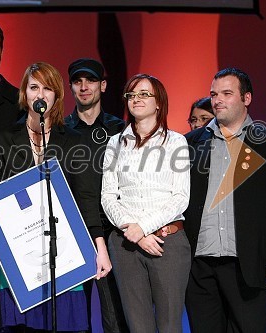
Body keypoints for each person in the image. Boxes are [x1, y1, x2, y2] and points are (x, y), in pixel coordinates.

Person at [0, 62, 101, 332]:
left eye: (48, 88)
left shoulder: (74, 141)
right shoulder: (3, 138)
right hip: (19, 255)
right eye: (34, 87)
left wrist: (99, 247)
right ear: (24, 94)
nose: (41, 94)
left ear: (57, 96)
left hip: (64, 253)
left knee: (65, 325)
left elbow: (86, 198)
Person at [184, 68, 266, 332]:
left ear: (246, 98)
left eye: (227, 93)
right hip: (199, 265)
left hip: (248, 263)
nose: (217, 100)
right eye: (214, 94)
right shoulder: (189, 143)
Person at [101, 74, 191, 332]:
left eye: (144, 94)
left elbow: (180, 197)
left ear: (159, 102)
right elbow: (108, 196)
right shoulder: (115, 143)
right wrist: (135, 232)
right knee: (138, 326)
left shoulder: (176, 142)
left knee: (169, 325)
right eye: (131, 95)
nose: (136, 100)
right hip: (126, 244)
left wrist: (144, 227)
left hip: (168, 243)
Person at [64, 58, 128, 333]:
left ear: (102, 85)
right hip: (72, 231)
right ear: (71, 88)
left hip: (113, 231)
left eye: (90, 80)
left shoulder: (120, 129)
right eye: (78, 81)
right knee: (75, 319)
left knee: (115, 316)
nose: (84, 87)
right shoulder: (60, 130)